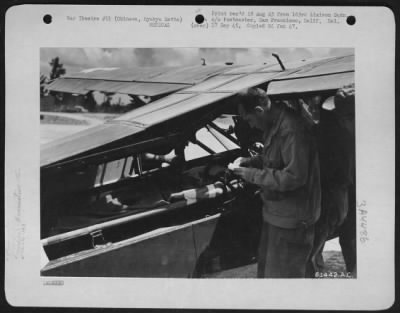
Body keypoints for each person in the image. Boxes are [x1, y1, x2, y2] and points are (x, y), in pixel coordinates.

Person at [231, 87, 321, 278]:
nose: (252, 126)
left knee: (283, 280)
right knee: (268, 273)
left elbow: (294, 177)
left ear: (259, 111)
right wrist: (252, 161)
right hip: (277, 215)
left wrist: (252, 174)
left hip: (292, 221)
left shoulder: (291, 130)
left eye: (249, 120)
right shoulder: (275, 124)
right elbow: (276, 159)